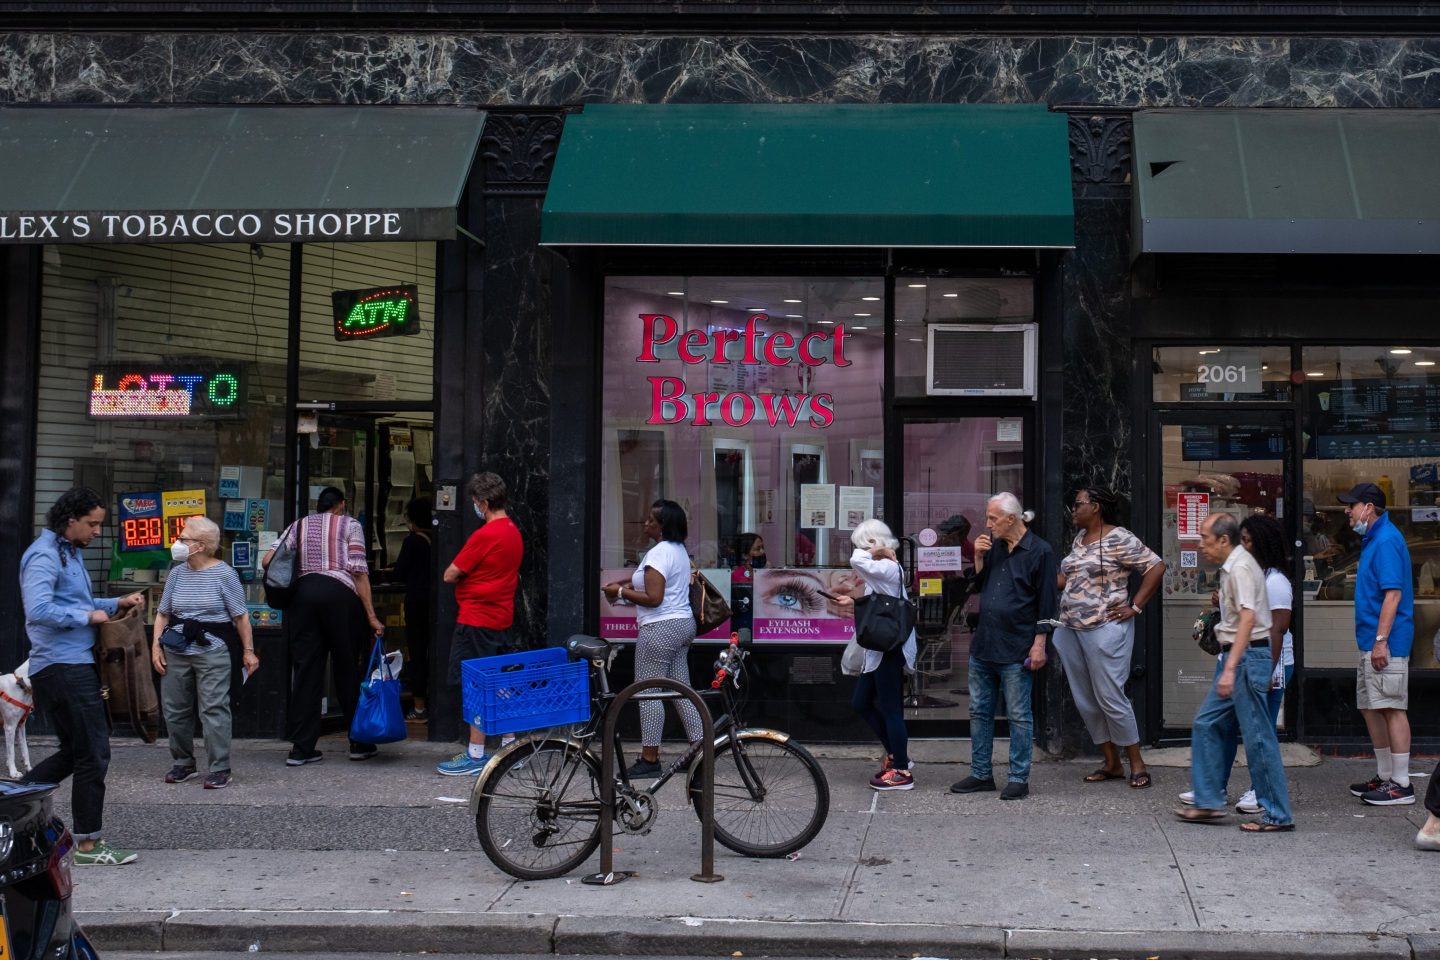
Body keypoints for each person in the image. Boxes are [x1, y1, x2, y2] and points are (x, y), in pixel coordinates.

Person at [19, 486, 146, 865]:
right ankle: (89, 846)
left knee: (76, 752)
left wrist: (113, 604)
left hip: (69, 664)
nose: (96, 532)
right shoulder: (43, 556)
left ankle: (11, 808)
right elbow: (38, 608)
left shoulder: (67, 552)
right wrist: (86, 617)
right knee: (94, 751)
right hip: (62, 667)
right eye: (91, 524)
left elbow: (73, 601)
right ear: (69, 520)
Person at [1176, 513, 1294, 832]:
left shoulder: (1240, 567)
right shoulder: (1234, 566)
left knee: (1258, 738)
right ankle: (1209, 801)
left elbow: (1248, 618)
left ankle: (1277, 815)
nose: (1201, 545)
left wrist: (1230, 668)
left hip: (1245, 658)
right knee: (1206, 723)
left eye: (1206, 539)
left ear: (1224, 540)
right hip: (1241, 658)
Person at [262, 486, 384, 767]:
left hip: (303, 599)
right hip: (341, 598)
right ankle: (359, 743)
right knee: (347, 669)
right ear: (341, 505)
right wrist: (371, 616)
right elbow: (358, 572)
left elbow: (269, 560)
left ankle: (301, 748)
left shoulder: (299, 525)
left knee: (306, 671)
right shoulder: (351, 525)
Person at [1053, 486, 1164, 790]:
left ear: (1096, 507)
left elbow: (1156, 566)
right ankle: (1111, 762)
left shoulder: (1119, 537)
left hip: (1104, 628)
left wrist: (1135, 606)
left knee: (1110, 697)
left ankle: (1137, 763)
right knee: (1086, 700)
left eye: (1077, 504)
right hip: (1071, 628)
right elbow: (1068, 580)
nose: (1073, 509)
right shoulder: (1079, 539)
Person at [950, 493, 1057, 801]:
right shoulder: (994, 547)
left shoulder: (1041, 551)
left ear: (1012, 519)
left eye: (993, 518)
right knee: (979, 711)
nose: (987, 524)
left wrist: (1040, 644)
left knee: (1019, 715)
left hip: (1017, 645)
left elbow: (1048, 602)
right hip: (984, 642)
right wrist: (980, 559)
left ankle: (1018, 777)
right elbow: (979, 587)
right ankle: (981, 774)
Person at [151, 516, 259, 790]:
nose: (178, 542)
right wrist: (156, 647)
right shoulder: (177, 573)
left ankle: (220, 767)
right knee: (174, 709)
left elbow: (241, 617)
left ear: (200, 546)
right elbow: (163, 614)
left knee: (213, 708)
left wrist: (249, 651)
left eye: (184, 538)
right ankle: (183, 762)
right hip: (176, 648)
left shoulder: (224, 574)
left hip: (213, 650)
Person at [602, 499, 704, 778]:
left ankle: (649, 758)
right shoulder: (679, 551)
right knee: (681, 690)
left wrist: (619, 593)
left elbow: (654, 598)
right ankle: (701, 750)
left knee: (648, 692)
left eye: (651, 520)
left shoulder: (659, 553)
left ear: (662, 526)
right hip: (682, 625)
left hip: (660, 629)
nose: (645, 523)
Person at [436, 473, 524, 776]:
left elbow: (450, 573)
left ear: (484, 503)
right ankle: (510, 747)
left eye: (475, 502)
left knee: (475, 685)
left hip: (476, 619)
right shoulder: (513, 531)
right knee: (500, 685)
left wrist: (465, 578)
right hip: (501, 618)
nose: (475, 506)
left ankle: (475, 753)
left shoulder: (485, 534)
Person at [1338, 482, 1416, 805]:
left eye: (1352, 505)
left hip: (1386, 642)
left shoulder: (1385, 540)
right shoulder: (1375, 538)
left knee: (1391, 707)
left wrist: (1381, 641)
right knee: (1371, 707)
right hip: (1371, 641)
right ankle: (1386, 777)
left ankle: (1401, 783)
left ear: (1368, 508)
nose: (1347, 511)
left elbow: (1393, 594)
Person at [831, 519, 916, 791]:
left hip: (889, 648)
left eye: (861, 543)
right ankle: (896, 753)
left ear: (870, 543)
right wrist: (853, 602)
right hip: (877, 649)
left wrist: (875, 550)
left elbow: (857, 560)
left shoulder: (888, 566)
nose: (857, 549)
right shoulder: (882, 570)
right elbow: (879, 603)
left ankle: (902, 771)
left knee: (891, 709)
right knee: (861, 702)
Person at [390, 497, 433, 722]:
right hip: (436, 604)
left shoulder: (413, 541)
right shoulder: (440, 538)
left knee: (417, 653)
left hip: (416, 602)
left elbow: (399, 572)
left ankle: (419, 707)